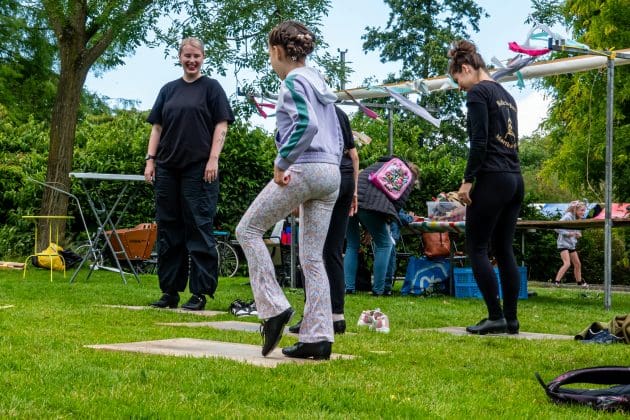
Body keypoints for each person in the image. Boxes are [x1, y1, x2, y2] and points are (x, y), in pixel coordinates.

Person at [235, 21, 343, 360]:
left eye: (270, 54)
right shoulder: (319, 81)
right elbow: (336, 131)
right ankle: (318, 337)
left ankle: (273, 308)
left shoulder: (293, 81)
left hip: (305, 167)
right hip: (331, 172)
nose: (271, 61)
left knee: (247, 230)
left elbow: (306, 125)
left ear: (277, 51)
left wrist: (282, 162)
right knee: (312, 258)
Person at [145, 37, 234, 311]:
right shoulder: (168, 90)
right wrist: (150, 160)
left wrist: (213, 159)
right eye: (187, 56)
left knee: (198, 227)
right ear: (180, 57)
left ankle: (200, 293)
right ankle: (169, 291)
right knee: (169, 230)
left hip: (200, 169)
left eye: (196, 56)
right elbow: (157, 128)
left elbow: (221, 125)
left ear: (203, 57)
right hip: (167, 168)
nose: (192, 61)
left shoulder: (212, 88)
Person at [448, 40, 524, 335]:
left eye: (458, 80)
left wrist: (467, 181)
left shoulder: (478, 93)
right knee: (504, 249)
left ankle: (495, 316)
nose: (460, 88)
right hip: (515, 178)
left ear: (466, 68)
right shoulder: (507, 95)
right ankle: (511, 320)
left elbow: (479, 141)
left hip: (492, 177)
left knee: (477, 247)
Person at [288, 106, 360, 335]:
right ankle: (337, 317)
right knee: (333, 250)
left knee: (310, 251)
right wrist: (354, 192)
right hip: (345, 179)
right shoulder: (339, 112)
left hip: (321, 178)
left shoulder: (304, 111)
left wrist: (296, 196)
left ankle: (312, 315)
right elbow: (354, 155)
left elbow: (297, 154)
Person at [344, 157, 418, 296]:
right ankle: (378, 289)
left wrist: (369, 229)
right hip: (369, 205)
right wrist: (391, 219)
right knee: (385, 244)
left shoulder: (380, 164)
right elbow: (396, 205)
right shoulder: (405, 175)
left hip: (349, 201)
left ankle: (348, 287)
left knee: (352, 245)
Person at [553, 201, 588, 288]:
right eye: (582, 210)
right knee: (567, 263)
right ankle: (556, 282)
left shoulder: (578, 219)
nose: (583, 212)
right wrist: (568, 233)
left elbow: (577, 232)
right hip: (563, 244)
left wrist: (578, 235)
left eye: (584, 211)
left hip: (571, 245)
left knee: (577, 264)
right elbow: (556, 227)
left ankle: (579, 283)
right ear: (575, 210)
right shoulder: (568, 216)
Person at [384, 208, 414, 294]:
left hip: (383, 236)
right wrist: (411, 217)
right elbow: (404, 219)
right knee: (390, 262)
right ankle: (386, 288)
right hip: (391, 238)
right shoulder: (395, 204)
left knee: (383, 261)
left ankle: (379, 286)